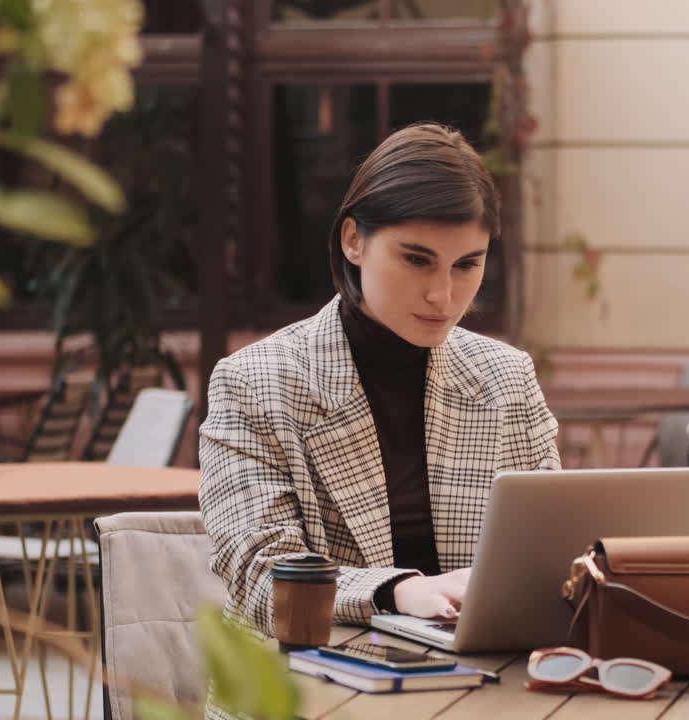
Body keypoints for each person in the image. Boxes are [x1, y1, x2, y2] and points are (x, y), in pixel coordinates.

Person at [199, 123, 561, 645]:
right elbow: (262, 581)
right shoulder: (254, 383)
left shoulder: (505, 378)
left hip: (480, 678)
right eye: (417, 259)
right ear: (354, 241)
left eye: (467, 265)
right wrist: (399, 592)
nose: (443, 294)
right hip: (307, 681)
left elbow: (550, 555)